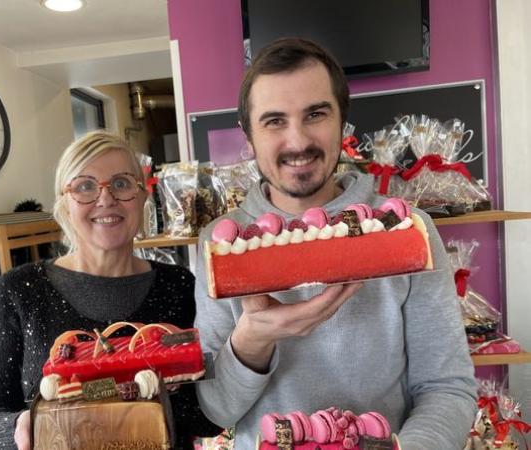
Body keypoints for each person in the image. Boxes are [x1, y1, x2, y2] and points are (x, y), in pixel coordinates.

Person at [194, 37, 477, 450]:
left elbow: (447, 387)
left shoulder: (407, 230)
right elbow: (217, 413)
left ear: (342, 121)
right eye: (274, 121)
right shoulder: (220, 246)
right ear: (249, 135)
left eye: (316, 114)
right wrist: (253, 338)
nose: (298, 141)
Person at [0, 130, 220, 449]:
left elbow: (207, 417)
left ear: (142, 196)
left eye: (122, 183)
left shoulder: (179, 285)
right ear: (65, 204)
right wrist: (23, 426)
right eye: (85, 186)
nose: (105, 198)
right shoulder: (18, 291)